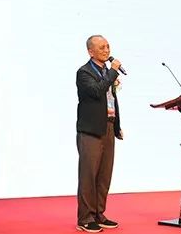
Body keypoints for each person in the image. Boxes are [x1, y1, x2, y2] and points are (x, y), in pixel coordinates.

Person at [75, 35, 124, 232]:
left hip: (108, 127)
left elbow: (110, 101)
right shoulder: (84, 72)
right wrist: (112, 73)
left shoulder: (106, 72)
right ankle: (85, 218)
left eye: (108, 46)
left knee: (104, 175)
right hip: (91, 130)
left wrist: (117, 126)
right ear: (90, 51)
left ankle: (98, 214)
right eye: (102, 47)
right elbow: (96, 91)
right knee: (89, 175)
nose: (106, 50)